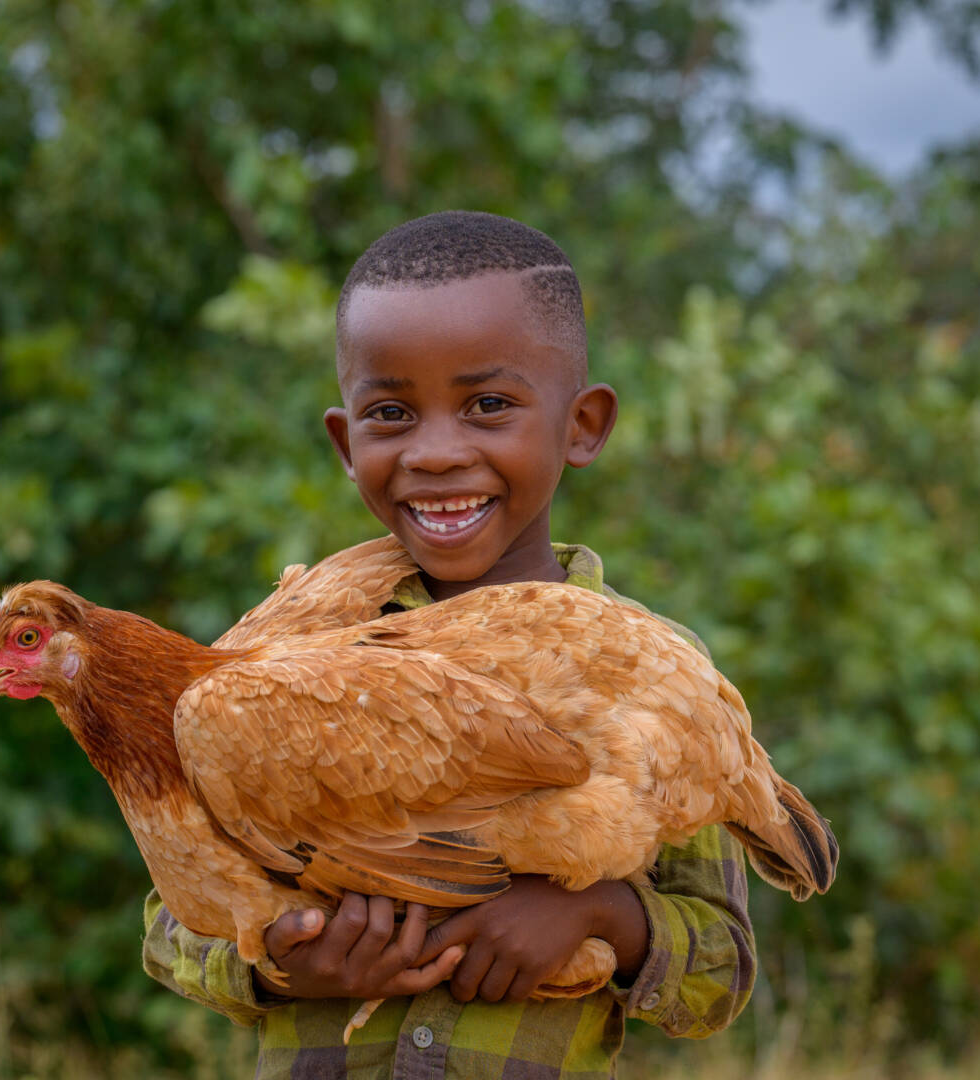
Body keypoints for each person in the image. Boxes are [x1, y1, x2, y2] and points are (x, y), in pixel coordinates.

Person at [142, 211, 754, 1079]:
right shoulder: (277, 660)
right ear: (345, 444)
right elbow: (171, 922)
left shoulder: (651, 672)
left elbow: (718, 971)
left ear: (582, 425)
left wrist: (600, 916)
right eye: (391, 412)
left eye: (488, 406)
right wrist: (276, 959)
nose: (435, 452)